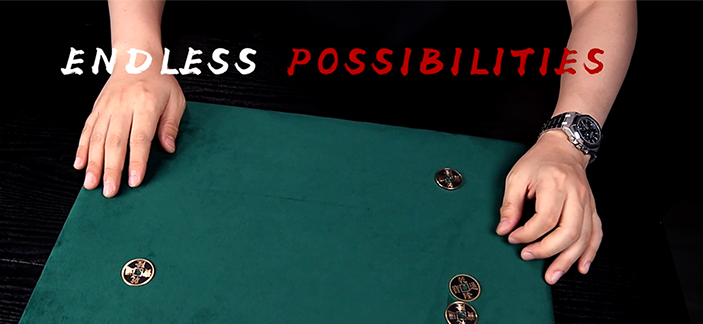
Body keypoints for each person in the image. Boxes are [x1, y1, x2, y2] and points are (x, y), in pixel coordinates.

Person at [73, 0, 637, 285]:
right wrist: (135, 58)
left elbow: (601, 5)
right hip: (265, 68)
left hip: (461, 87)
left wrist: (570, 140)